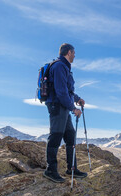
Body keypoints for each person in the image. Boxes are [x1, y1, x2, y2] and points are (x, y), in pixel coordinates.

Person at [43, 43, 88, 183]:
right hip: (57, 106)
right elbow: (61, 92)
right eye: (74, 53)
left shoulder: (64, 67)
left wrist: (77, 99)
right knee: (55, 136)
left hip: (62, 107)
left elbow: (67, 92)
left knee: (70, 136)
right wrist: (73, 108)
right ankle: (50, 170)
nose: (75, 56)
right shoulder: (59, 67)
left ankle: (72, 168)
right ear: (69, 52)